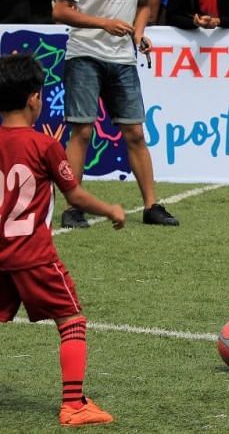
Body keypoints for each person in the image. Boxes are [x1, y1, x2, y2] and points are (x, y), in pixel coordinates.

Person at [0, 54, 126, 426]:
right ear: (34, 98)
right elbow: (76, 196)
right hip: (34, 254)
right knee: (72, 319)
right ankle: (74, 405)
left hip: (1, 252)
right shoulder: (44, 146)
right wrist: (111, 210)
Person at [52, 0, 179, 229]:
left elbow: (143, 6)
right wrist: (102, 24)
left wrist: (137, 36)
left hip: (122, 58)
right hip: (84, 55)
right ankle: (73, 207)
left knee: (135, 132)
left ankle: (151, 206)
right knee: (81, 131)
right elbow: (61, 11)